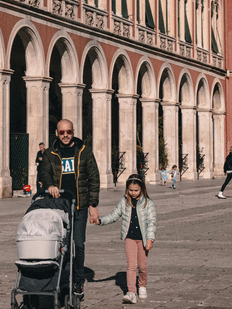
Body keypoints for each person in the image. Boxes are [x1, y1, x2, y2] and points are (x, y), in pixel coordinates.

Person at [41, 118, 100, 301]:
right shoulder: (51, 153)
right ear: (56, 133)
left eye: (68, 132)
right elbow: (44, 172)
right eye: (62, 132)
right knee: (60, 245)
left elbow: (93, 177)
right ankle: (60, 280)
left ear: (73, 132)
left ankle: (78, 281)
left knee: (78, 244)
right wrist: (50, 184)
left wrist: (93, 205)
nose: (65, 136)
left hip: (80, 205)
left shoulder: (84, 151)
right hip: (59, 207)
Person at [96, 174, 156, 304]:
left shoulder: (148, 203)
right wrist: (100, 221)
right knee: (131, 265)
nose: (133, 193)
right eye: (130, 190)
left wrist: (150, 239)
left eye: (136, 190)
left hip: (143, 239)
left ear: (142, 189)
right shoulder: (124, 202)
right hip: (129, 238)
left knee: (143, 266)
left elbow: (152, 222)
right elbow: (113, 215)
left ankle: (142, 285)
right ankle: (131, 292)